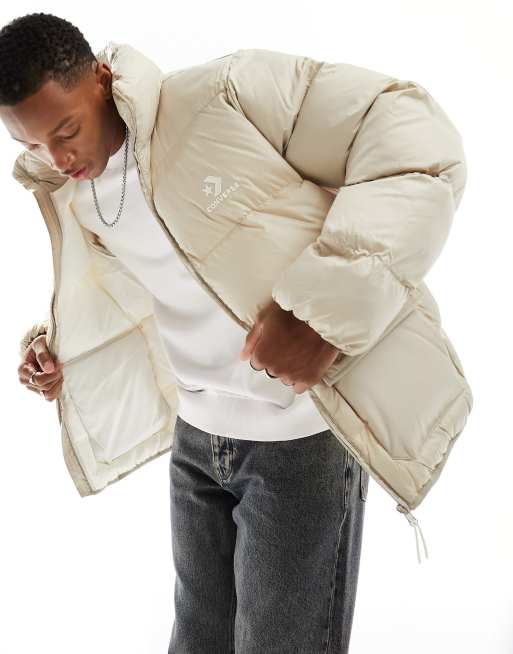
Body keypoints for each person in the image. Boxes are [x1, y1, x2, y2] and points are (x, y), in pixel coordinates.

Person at [3, 9, 470, 653]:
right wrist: (58, 349)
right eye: (32, 146)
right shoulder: (75, 193)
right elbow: (143, 287)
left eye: (67, 130)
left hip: (298, 440)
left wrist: (321, 313)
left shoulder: (222, 95)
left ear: (102, 78)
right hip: (196, 441)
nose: (58, 158)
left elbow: (413, 137)